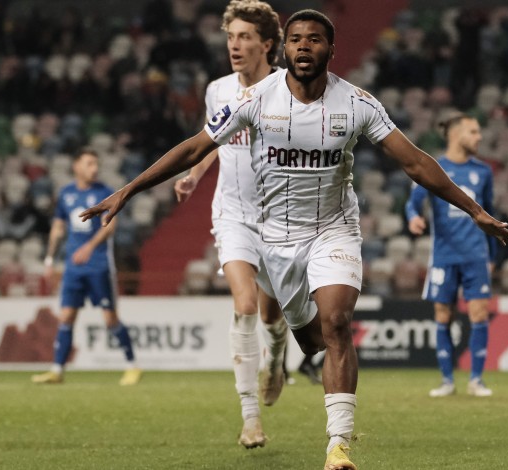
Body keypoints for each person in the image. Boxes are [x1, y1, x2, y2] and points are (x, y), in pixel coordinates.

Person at [80, 10, 508, 470]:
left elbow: (414, 162)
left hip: (334, 228)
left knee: (335, 322)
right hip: (274, 238)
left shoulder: (356, 104)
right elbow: (196, 147)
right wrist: (128, 189)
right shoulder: (255, 99)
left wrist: (475, 211)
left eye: (314, 40)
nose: (304, 47)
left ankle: (338, 445)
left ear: (331, 50)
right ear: (284, 49)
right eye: (295, 40)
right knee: (311, 339)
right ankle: (285, 356)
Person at [173, 0, 289, 449]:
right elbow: (211, 141)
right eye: (231, 37)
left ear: (267, 44)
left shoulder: (288, 90)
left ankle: (276, 360)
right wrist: (193, 174)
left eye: (244, 37)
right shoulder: (219, 90)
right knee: (244, 305)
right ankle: (250, 418)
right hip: (233, 214)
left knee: (272, 315)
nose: (235, 45)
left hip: (280, 219)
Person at [406, 114, 497, 398]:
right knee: (443, 314)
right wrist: (413, 218)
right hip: (444, 255)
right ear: (456, 135)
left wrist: (492, 256)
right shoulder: (435, 169)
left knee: (479, 312)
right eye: (474, 131)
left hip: (476, 254)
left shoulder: (483, 172)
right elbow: (413, 203)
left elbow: (490, 213)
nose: (479, 137)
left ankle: (476, 381)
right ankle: (447, 380)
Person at [31, 149, 141, 386]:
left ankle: (132, 366)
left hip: (99, 265)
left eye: (96, 164)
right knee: (67, 316)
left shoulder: (103, 193)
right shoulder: (66, 193)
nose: (95, 168)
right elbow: (58, 227)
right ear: (76, 167)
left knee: (110, 319)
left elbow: (110, 226)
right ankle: (57, 370)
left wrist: (90, 247)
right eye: (90, 163)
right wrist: (50, 259)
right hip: (73, 267)